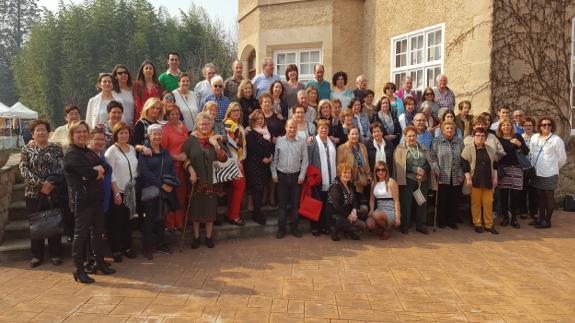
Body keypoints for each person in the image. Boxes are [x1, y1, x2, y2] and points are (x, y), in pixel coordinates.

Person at [64, 120, 116, 283]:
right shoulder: (71, 154)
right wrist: (93, 172)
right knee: (81, 235)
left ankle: (99, 263)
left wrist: (93, 172)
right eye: (78, 132)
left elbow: (107, 168)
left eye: (84, 131)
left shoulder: (88, 152)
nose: (82, 134)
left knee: (97, 232)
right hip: (82, 200)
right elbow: (87, 172)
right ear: (72, 135)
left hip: (96, 198)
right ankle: (78, 269)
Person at [20, 120, 64, 268]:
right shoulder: (27, 150)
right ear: (33, 134)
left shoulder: (56, 149)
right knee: (36, 224)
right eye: (37, 130)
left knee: (54, 222)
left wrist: (50, 183)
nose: (41, 132)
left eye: (43, 129)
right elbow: (24, 170)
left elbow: (60, 168)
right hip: (33, 193)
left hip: (52, 191)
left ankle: (56, 254)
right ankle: (37, 255)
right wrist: (40, 184)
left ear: (48, 132)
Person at [182, 112, 229, 248]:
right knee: (196, 209)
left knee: (210, 209)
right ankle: (196, 238)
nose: (204, 126)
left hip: (212, 181)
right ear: (197, 124)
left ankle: (208, 237)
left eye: (207, 124)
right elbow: (185, 158)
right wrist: (190, 169)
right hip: (195, 181)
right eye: (202, 123)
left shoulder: (216, 139)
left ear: (211, 124)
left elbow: (224, 159)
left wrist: (216, 145)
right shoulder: (191, 140)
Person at [138, 124, 177, 260]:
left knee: (162, 218)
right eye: (154, 134)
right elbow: (145, 172)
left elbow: (171, 167)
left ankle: (161, 244)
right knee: (149, 220)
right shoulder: (145, 152)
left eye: (159, 134)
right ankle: (146, 248)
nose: (157, 136)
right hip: (151, 190)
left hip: (164, 191)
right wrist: (161, 185)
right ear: (149, 136)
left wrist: (172, 183)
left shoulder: (165, 152)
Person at [105, 122, 138, 262]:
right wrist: (116, 192)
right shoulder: (111, 151)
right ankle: (116, 250)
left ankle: (127, 247)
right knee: (116, 222)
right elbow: (109, 172)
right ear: (115, 135)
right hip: (118, 191)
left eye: (126, 132)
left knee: (128, 221)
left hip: (131, 190)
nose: (124, 135)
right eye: (121, 133)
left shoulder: (132, 149)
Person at [271, 119, 309, 238]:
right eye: (290, 127)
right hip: (282, 176)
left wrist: (302, 175)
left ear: (297, 128)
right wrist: (274, 173)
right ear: (286, 128)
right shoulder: (279, 141)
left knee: (295, 204)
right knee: (282, 205)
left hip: (296, 177)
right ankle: (281, 229)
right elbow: (275, 159)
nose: (292, 129)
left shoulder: (302, 142)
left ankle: (295, 228)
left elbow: (305, 160)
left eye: (294, 127)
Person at [394, 126, 434, 235]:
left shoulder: (423, 147)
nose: (412, 138)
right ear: (405, 137)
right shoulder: (400, 149)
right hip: (407, 179)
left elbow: (429, 161)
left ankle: (421, 225)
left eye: (414, 136)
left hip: (422, 179)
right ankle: (405, 225)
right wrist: (414, 169)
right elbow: (399, 165)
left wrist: (424, 169)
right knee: (406, 203)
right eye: (409, 136)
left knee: (422, 202)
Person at [529, 117, 567, 229]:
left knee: (549, 197)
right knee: (540, 197)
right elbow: (532, 152)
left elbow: (562, 158)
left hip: (550, 173)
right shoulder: (534, 137)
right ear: (539, 126)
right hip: (537, 172)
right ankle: (540, 219)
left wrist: (553, 168)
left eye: (549, 125)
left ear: (552, 126)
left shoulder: (556, 140)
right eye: (544, 124)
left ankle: (547, 221)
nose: (546, 126)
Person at [461, 128, 499, 234]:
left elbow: (495, 165)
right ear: (474, 136)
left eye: (482, 136)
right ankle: (477, 223)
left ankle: (488, 224)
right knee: (476, 203)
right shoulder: (468, 149)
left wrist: (495, 178)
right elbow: (464, 164)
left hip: (488, 179)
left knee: (488, 202)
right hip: (475, 179)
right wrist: (468, 178)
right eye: (478, 135)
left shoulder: (491, 149)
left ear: (485, 137)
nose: (480, 138)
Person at [430, 120, 464, 229]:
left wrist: (461, 173)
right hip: (442, 174)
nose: (449, 130)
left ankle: (452, 220)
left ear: (455, 130)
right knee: (442, 199)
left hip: (455, 174)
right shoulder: (437, 141)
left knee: (453, 199)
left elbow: (463, 159)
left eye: (452, 128)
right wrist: (436, 169)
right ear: (443, 130)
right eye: (447, 128)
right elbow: (433, 157)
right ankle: (441, 220)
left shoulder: (459, 142)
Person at [496, 117, 529, 229]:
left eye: (508, 125)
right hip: (504, 168)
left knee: (515, 195)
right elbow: (502, 152)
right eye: (503, 125)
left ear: (512, 127)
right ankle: (505, 217)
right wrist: (512, 145)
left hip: (516, 168)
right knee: (504, 195)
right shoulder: (498, 139)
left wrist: (519, 144)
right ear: (500, 127)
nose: (506, 127)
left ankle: (514, 218)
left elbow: (526, 151)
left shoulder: (517, 136)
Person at [161, 106, 189, 232]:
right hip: (172, 167)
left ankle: (180, 222)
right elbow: (163, 150)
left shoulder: (183, 127)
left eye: (177, 113)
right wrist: (177, 157)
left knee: (182, 195)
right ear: (167, 116)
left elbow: (188, 144)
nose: (175, 116)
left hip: (184, 166)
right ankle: (170, 224)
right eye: (172, 114)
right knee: (172, 196)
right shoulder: (165, 130)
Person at [307, 119, 337, 236]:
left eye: (326, 128)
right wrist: (309, 176)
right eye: (321, 128)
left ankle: (325, 226)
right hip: (317, 178)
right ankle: (315, 227)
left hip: (330, 178)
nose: (324, 130)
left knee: (327, 204)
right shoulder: (313, 142)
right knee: (316, 203)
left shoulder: (332, 142)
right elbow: (309, 160)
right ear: (317, 129)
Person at [244, 110, 275, 225]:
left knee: (261, 189)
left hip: (265, 164)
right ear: (253, 120)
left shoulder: (267, 132)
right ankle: (257, 214)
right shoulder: (251, 133)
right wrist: (264, 157)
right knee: (257, 189)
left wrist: (270, 156)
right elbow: (252, 148)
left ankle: (257, 212)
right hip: (254, 165)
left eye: (262, 118)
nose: (260, 120)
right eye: (258, 119)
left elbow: (271, 145)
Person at [326, 163, 365, 241]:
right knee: (359, 225)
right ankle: (335, 230)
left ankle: (348, 231)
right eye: (345, 173)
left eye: (349, 173)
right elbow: (336, 206)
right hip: (335, 214)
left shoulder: (349, 184)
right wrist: (348, 215)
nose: (347, 175)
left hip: (346, 212)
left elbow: (354, 199)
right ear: (340, 174)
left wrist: (354, 210)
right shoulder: (335, 186)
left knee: (363, 223)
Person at [223, 102, 247, 226]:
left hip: (238, 159)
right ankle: (234, 216)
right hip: (234, 160)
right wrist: (237, 160)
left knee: (234, 188)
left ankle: (230, 213)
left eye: (238, 110)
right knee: (239, 187)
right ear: (229, 112)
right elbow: (232, 144)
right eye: (234, 110)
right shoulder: (228, 123)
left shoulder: (237, 123)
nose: (236, 112)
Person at [337, 126, 371, 206]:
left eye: (356, 134)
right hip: (349, 182)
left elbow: (366, 164)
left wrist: (369, 176)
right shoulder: (342, 148)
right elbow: (339, 167)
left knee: (362, 207)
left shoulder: (363, 147)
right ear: (348, 135)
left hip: (362, 182)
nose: (354, 136)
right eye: (352, 134)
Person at [368, 161, 400, 240]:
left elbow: (396, 201)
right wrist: (371, 210)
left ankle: (386, 230)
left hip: (390, 210)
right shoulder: (374, 183)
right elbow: (372, 199)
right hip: (379, 210)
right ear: (375, 171)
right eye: (378, 170)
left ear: (386, 171)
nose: (380, 172)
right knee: (369, 224)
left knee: (375, 215)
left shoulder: (391, 182)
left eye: (383, 170)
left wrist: (398, 217)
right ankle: (384, 228)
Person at [520, 116, 538, 220]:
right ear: (522, 127)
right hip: (523, 168)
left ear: (533, 126)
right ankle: (523, 211)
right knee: (523, 190)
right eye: (526, 125)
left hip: (535, 167)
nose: (528, 127)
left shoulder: (537, 137)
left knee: (534, 190)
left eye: (530, 125)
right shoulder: (520, 137)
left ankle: (534, 211)